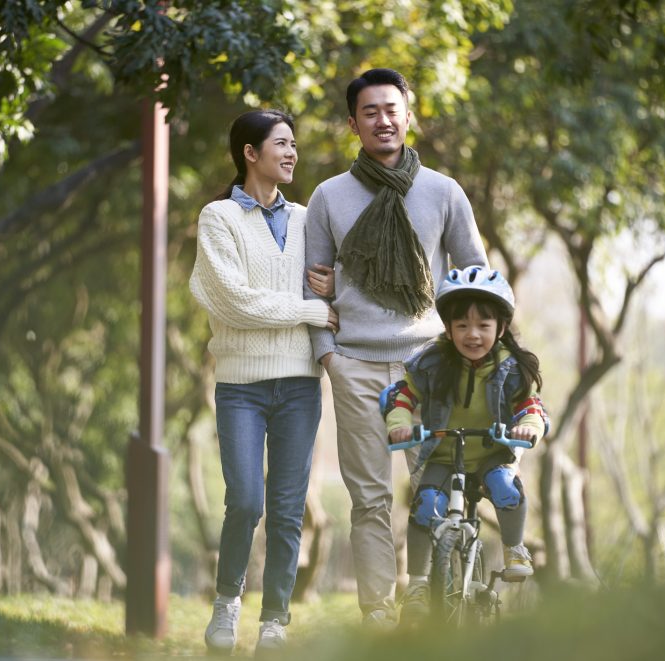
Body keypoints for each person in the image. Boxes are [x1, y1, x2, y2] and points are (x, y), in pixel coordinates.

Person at [304, 68, 488, 629]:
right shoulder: (329, 196)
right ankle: (378, 613)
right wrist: (328, 355)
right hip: (354, 362)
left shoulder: (443, 191)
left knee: (431, 488)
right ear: (353, 123)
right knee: (370, 499)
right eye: (369, 112)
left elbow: (475, 275)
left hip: (426, 364)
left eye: (391, 109)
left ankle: (428, 595)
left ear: (409, 114)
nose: (382, 120)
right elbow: (309, 287)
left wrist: (470, 351)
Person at [190, 109, 338, 655]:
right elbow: (232, 302)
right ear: (250, 153)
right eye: (282, 143)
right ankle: (227, 605)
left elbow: (332, 283)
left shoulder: (307, 218)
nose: (293, 152)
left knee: (287, 507)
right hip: (241, 386)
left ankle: (274, 621)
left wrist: (329, 289)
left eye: (294, 144)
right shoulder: (219, 218)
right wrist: (309, 310)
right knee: (246, 501)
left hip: (300, 383)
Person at [381, 265, 549, 622]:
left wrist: (528, 427)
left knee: (507, 487)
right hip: (443, 455)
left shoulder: (513, 369)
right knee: (425, 505)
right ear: (448, 328)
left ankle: (514, 547)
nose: (472, 335)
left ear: (501, 328)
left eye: (483, 326)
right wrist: (398, 425)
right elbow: (399, 397)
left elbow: (531, 408)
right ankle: (418, 583)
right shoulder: (432, 362)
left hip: (491, 455)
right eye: (462, 326)